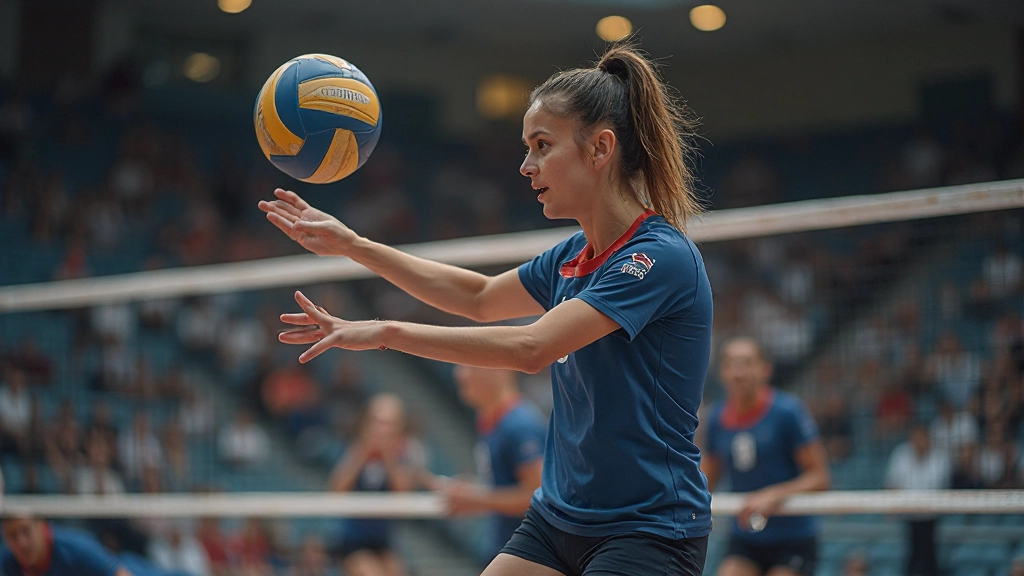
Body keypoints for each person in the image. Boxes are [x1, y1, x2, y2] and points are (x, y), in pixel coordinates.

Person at [261, 43, 713, 576]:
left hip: (647, 528)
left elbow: (531, 347)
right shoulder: (572, 256)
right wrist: (354, 245)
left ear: (600, 148)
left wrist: (384, 330)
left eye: (542, 146)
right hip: (558, 517)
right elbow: (477, 299)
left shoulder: (657, 257)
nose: (526, 165)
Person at [701, 337, 831, 576]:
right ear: (723, 373)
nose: (739, 373)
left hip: (793, 537)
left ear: (765, 369)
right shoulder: (717, 419)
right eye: (731, 364)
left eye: (747, 363)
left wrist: (774, 495)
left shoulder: (787, 412)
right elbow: (707, 481)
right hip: (745, 536)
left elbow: (820, 478)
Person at [429, 365, 545, 564]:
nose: (460, 374)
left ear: (502, 369)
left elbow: (537, 496)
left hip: (527, 557)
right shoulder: (488, 420)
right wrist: (470, 493)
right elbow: (506, 485)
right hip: (504, 548)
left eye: (470, 366)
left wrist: (477, 499)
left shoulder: (520, 425)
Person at [327, 394, 424, 576]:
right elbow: (336, 489)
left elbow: (404, 494)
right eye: (379, 422)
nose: (384, 430)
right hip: (352, 542)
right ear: (366, 423)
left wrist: (388, 454)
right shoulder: (352, 451)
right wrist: (364, 450)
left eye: (391, 424)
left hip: (383, 542)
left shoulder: (400, 457)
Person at [0, 513, 189, 576]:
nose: (21, 543)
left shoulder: (76, 548)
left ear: (41, 526)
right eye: (12, 536)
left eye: (26, 531)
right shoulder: (9, 562)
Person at [885, 424, 951, 576]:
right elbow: (892, 483)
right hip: (909, 516)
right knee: (912, 556)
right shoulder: (901, 454)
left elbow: (941, 486)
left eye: (921, 437)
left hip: (932, 516)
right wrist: (891, 506)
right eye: (915, 438)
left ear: (928, 438)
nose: (918, 441)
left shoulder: (940, 458)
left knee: (930, 555)